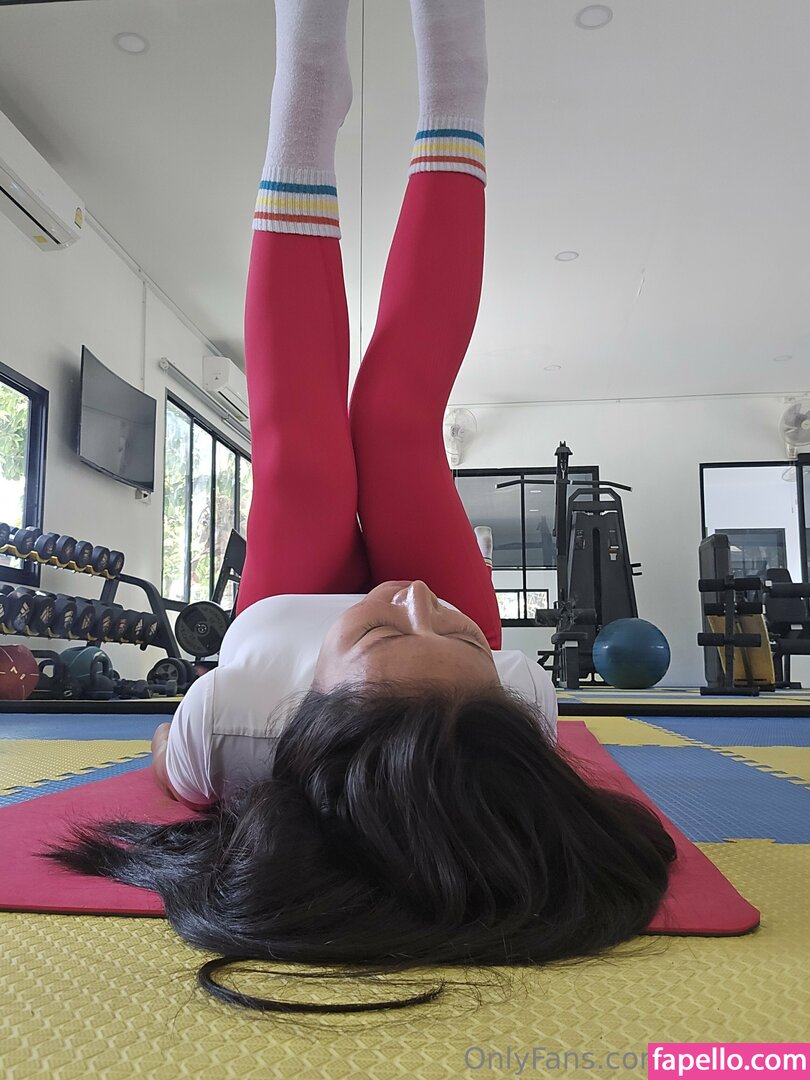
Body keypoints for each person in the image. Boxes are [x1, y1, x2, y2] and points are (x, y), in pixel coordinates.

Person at [41, 0, 676, 1014]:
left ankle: (305, 97)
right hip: (416, 669)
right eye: (456, 640)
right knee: (390, 417)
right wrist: (435, 638)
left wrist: (183, 765)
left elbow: (167, 765)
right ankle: (455, 91)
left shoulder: (234, 725)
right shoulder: (517, 706)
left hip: (280, 614)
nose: (413, 597)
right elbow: (447, 666)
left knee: (299, 452)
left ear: (300, 714)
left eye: (389, 628)